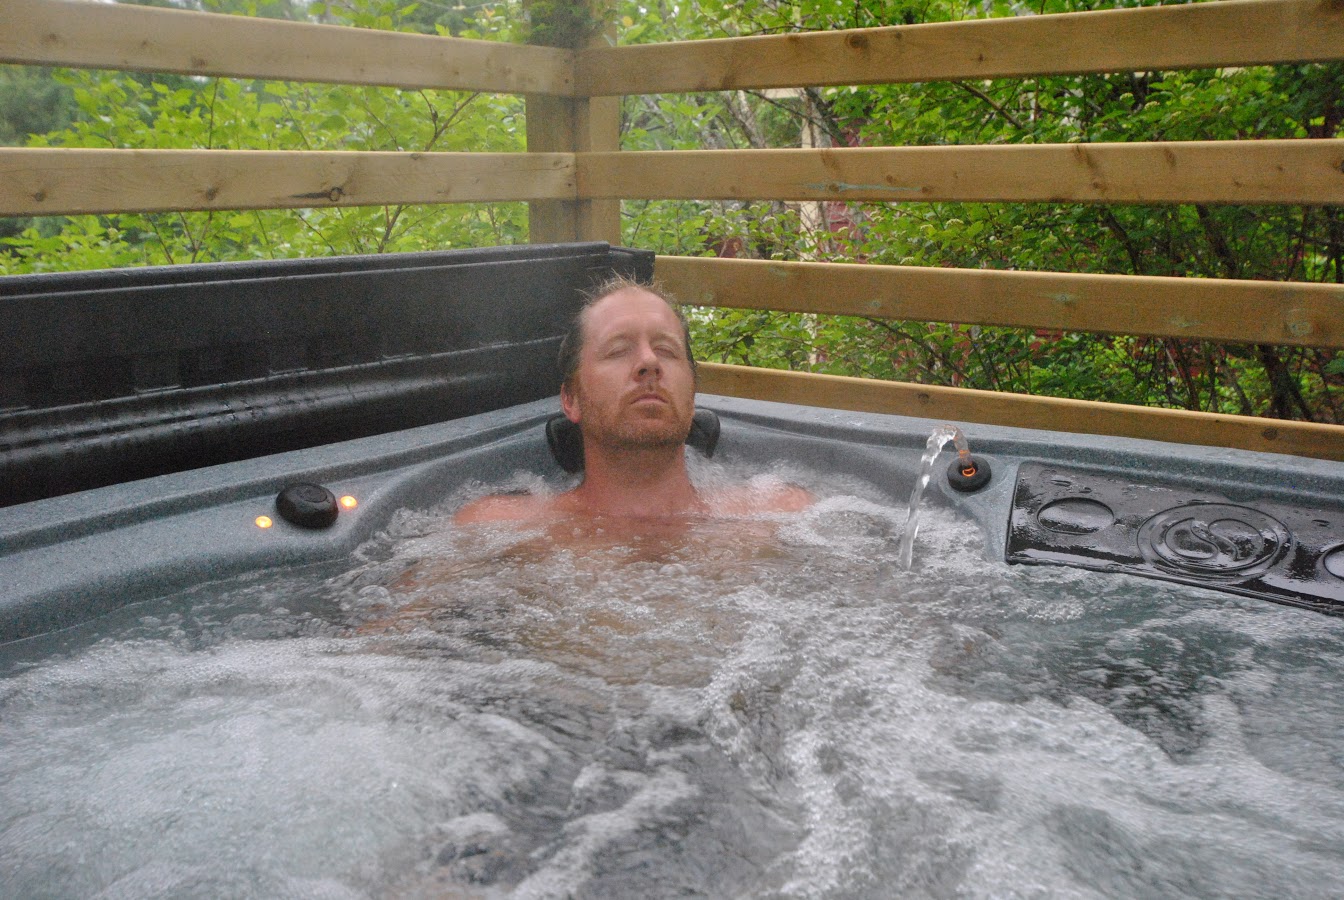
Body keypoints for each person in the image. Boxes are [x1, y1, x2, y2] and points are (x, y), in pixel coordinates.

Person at [453, 276, 812, 525]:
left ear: (692, 395)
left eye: (666, 350)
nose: (649, 362)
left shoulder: (778, 516)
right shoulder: (500, 528)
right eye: (618, 350)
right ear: (571, 399)